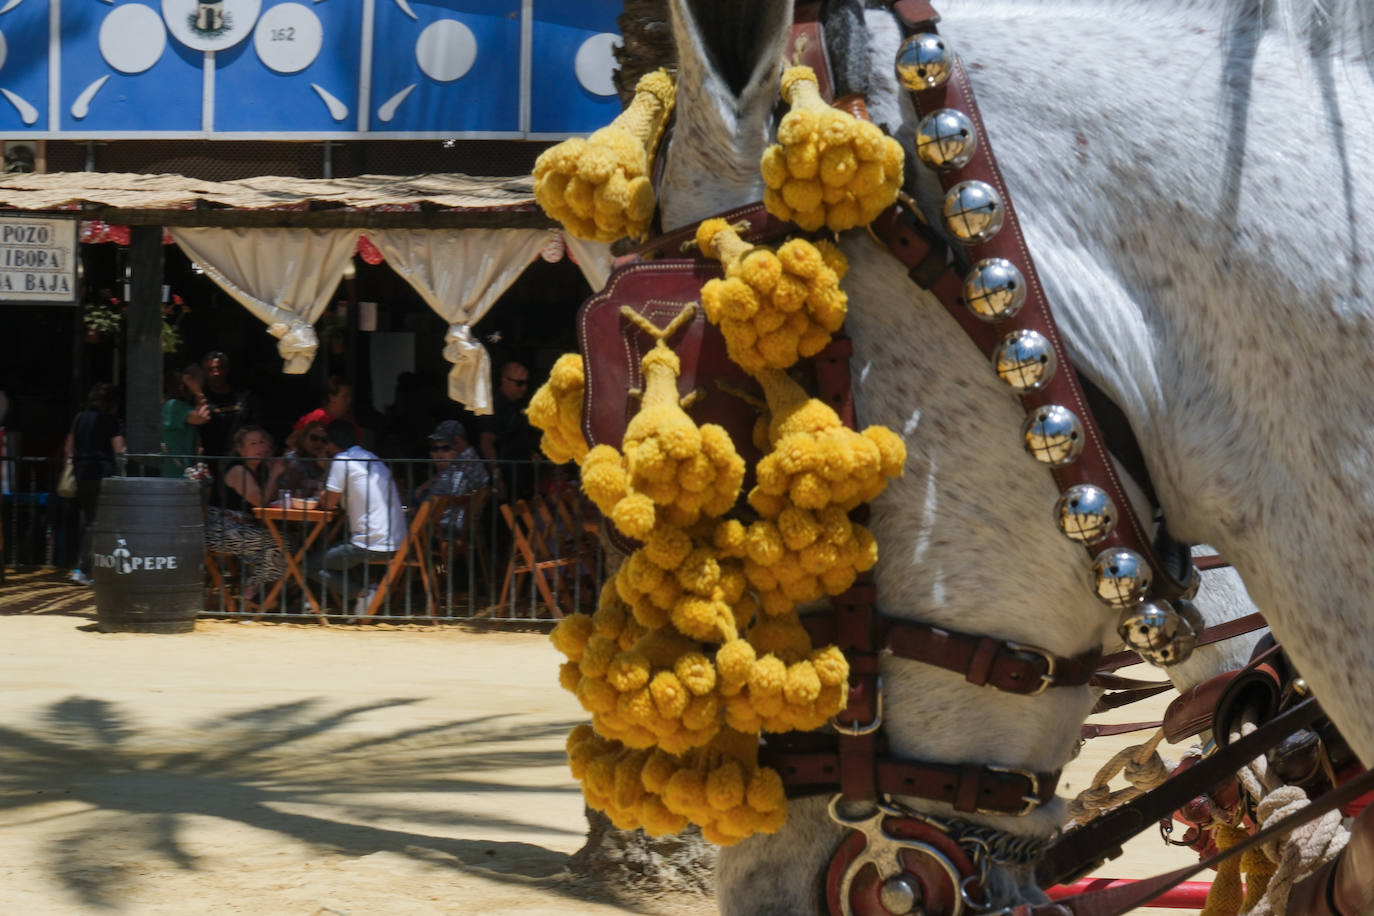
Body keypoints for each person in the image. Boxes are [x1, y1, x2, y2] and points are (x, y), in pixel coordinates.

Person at [313, 419, 407, 615]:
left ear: (331, 443)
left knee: (308, 564)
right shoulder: (371, 457)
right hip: (397, 542)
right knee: (328, 551)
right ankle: (366, 591)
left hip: (372, 545)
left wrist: (325, 473)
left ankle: (363, 593)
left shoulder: (342, 461)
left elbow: (329, 502)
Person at [204, 426, 286, 604]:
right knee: (279, 543)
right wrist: (274, 474)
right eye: (253, 443)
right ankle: (252, 590)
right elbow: (260, 501)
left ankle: (257, 589)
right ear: (240, 449)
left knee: (289, 541)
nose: (259, 447)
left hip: (244, 527)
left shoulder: (260, 470)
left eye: (262, 442)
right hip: (222, 529)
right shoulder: (238, 471)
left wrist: (275, 473)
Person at [65, 382, 126, 586]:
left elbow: (69, 448)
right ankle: (83, 569)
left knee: (89, 520)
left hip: (82, 473)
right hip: (102, 474)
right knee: (97, 523)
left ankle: (87, 568)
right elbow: (119, 450)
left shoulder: (79, 418)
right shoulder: (111, 421)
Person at [414, 420, 490, 539]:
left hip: (445, 528)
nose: (439, 453)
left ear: (457, 442)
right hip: (462, 524)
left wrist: (418, 493)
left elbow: (440, 499)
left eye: (445, 448)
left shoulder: (459, 468)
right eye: (435, 449)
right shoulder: (470, 460)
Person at [479, 359, 540, 502]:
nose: (523, 388)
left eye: (526, 383)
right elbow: (486, 443)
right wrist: (497, 477)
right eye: (519, 383)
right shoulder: (494, 408)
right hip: (505, 479)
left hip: (520, 478)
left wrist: (529, 453)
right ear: (504, 381)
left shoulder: (518, 406)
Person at [199, 351, 255, 458]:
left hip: (241, 457)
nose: (216, 373)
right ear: (204, 373)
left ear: (227, 369)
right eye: (210, 369)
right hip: (211, 458)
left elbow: (253, 426)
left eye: (220, 368)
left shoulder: (244, 396)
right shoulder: (200, 399)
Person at [161, 364, 211, 478]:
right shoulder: (173, 406)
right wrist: (198, 392)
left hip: (187, 473)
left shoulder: (184, 406)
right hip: (176, 474)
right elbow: (203, 417)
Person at [294, 376, 365, 446]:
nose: (350, 400)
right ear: (332, 397)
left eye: (350, 396)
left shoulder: (350, 421)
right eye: (345, 396)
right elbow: (293, 444)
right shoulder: (314, 418)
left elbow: (359, 447)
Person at [277, 420, 330, 499]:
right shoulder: (291, 459)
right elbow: (291, 491)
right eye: (314, 438)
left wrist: (326, 468)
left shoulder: (329, 461)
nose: (319, 443)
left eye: (324, 440)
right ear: (304, 439)